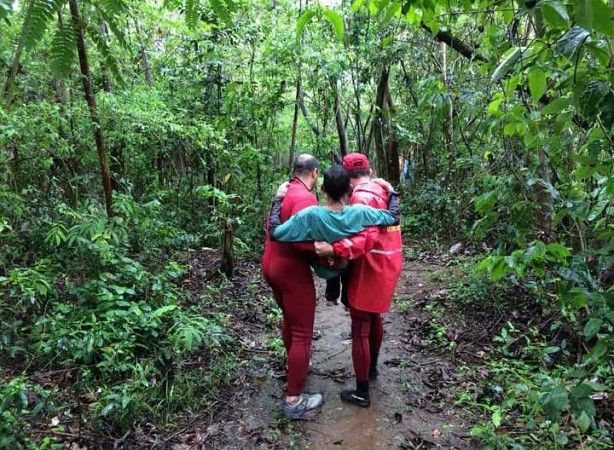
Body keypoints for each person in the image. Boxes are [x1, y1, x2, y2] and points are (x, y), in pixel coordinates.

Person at [315, 153, 403, 408]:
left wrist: (334, 249)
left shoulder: (362, 197)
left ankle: (362, 391)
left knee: (360, 327)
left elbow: (367, 238)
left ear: (348, 179)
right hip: (387, 261)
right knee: (374, 317)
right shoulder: (381, 189)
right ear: (368, 171)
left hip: (371, 266)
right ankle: (371, 368)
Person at [261, 154, 323, 419]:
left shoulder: (284, 191)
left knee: (289, 318)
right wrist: (327, 253)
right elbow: (302, 243)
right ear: (314, 172)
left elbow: (271, 226)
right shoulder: (305, 199)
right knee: (302, 333)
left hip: (271, 266)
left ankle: (295, 366)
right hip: (291, 271)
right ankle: (294, 399)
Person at [268, 165, 400, 280]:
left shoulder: (310, 215)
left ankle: (332, 290)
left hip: (323, 269)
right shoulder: (360, 212)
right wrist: (390, 190)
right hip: (348, 265)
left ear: (323, 189)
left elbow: (274, 233)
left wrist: (278, 198)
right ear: (349, 188)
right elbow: (394, 218)